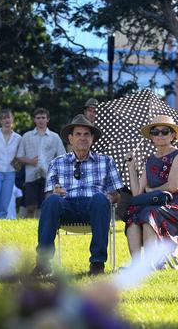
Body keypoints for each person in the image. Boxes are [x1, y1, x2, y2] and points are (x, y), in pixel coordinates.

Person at [34, 114, 123, 276]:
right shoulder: (57, 162)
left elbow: (116, 195)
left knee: (100, 198)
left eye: (86, 134)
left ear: (92, 139)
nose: (82, 138)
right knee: (52, 200)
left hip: (93, 208)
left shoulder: (106, 161)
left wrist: (108, 198)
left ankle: (97, 263)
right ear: (70, 138)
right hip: (66, 206)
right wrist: (55, 193)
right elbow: (48, 197)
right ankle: (43, 263)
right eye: (78, 134)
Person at [124, 115, 178, 269]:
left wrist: (152, 190)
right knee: (132, 217)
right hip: (154, 203)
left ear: (173, 135)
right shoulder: (149, 159)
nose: (160, 135)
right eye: (155, 132)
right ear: (151, 137)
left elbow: (173, 186)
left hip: (176, 204)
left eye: (165, 131)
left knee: (149, 214)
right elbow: (137, 193)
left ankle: (151, 263)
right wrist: (131, 167)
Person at [16, 108, 66, 218]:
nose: (41, 120)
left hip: (48, 176)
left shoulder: (54, 137)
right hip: (31, 175)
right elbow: (19, 156)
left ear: (48, 119)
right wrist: (30, 161)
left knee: (46, 205)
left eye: (43, 118)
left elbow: (62, 156)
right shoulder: (26, 136)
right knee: (30, 206)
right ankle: (29, 228)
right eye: (38, 118)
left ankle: (44, 226)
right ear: (34, 120)